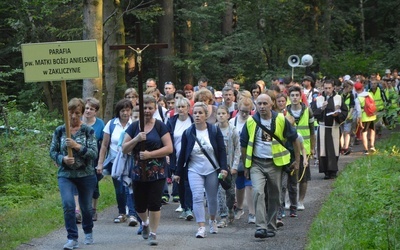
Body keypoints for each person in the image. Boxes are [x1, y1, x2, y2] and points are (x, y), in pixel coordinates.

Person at [240, 94, 300, 239]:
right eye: (259, 103)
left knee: (275, 194)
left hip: (275, 164)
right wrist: (246, 166)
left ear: (271, 104)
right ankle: (261, 226)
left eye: (265, 103)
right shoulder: (250, 122)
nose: (262, 106)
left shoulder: (280, 119)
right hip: (256, 163)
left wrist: (297, 160)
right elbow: (243, 144)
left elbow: (295, 139)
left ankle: (271, 226)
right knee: (258, 192)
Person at [122, 95, 173, 246]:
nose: (147, 111)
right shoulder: (134, 127)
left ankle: (153, 233)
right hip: (138, 172)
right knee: (139, 205)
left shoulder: (160, 126)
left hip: (157, 171)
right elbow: (124, 149)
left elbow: (169, 148)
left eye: (150, 108)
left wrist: (151, 154)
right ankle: (144, 222)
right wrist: (136, 139)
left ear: (155, 109)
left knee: (154, 204)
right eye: (144, 108)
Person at [49, 98, 98, 249]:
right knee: (68, 204)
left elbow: (93, 153)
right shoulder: (60, 130)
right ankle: (72, 238)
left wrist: (77, 146)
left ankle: (88, 231)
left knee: (86, 208)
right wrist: (62, 158)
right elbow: (52, 151)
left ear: (82, 114)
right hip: (66, 175)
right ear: (66, 113)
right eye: (71, 112)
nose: (74, 116)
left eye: (77, 113)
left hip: (86, 175)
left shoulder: (88, 131)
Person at [175, 102, 228, 238]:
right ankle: (201, 226)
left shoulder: (214, 131)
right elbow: (182, 154)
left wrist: (223, 168)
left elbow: (222, 151)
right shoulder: (188, 133)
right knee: (197, 197)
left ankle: (212, 220)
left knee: (211, 198)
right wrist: (178, 172)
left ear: (206, 115)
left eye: (200, 113)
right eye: (195, 113)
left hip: (212, 169)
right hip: (194, 169)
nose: (197, 115)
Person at [96, 99, 135, 224]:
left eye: (127, 110)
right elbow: (104, 145)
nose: (125, 113)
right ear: (118, 112)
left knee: (130, 186)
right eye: (122, 110)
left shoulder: (134, 124)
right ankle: (122, 212)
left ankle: (132, 214)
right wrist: (100, 163)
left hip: (130, 161)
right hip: (115, 162)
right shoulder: (111, 124)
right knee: (119, 189)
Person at [74, 97, 105, 222]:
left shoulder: (100, 124)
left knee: (93, 185)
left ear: (95, 111)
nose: (88, 111)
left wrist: (101, 162)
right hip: (78, 159)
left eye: (91, 109)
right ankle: (77, 211)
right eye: (86, 108)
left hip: (93, 159)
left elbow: (103, 144)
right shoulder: (77, 122)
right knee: (77, 184)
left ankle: (93, 209)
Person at [286, 86, 315, 212]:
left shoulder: (308, 111)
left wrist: (313, 148)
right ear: (289, 97)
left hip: (305, 148)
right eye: (292, 95)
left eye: (297, 95)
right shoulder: (285, 111)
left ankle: (300, 200)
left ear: (300, 96)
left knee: (303, 176)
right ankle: (289, 199)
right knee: (289, 175)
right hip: (289, 149)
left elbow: (312, 131)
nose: (295, 98)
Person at [312, 80, 348, 179]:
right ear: (323, 88)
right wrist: (322, 109)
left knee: (334, 149)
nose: (327, 90)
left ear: (333, 88)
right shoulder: (318, 99)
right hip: (323, 128)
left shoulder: (338, 98)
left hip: (334, 127)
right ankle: (326, 172)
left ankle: (333, 171)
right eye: (326, 88)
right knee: (323, 150)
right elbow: (313, 113)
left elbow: (345, 112)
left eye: (329, 88)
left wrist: (338, 115)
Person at [166, 97, 194, 220]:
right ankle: (183, 205)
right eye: (179, 107)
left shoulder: (193, 121)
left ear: (188, 108)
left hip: (191, 157)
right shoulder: (171, 122)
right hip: (176, 156)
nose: (181, 109)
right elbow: (166, 139)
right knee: (180, 182)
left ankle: (189, 208)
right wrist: (167, 154)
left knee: (188, 182)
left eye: (183, 107)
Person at [228, 97, 255, 224]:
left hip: (249, 157)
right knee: (239, 185)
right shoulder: (232, 122)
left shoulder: (253, 121)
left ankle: (252, 213)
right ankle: (239, 208)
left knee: (249, 185)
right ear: (238, 109)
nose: (244, 114)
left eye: (247, 111)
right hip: (236, 159)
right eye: (242, 111)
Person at [215, 105, 240, 228]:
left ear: (228, 115)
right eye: (219, 114)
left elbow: (237, 149)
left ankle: (230, 208)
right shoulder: (213, 130)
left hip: (230, 166)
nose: (221, 116)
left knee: (230, 192)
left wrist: (235, 165)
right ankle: (223, 216)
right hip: (218, 166)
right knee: (220, 192)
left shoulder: (233, 130)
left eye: (223, 113)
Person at [354, 82, 377, 155]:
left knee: (364, 133)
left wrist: (359, 120)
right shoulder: (369, 94)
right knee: (372, 130)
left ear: (355, 89)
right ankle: (372, 146)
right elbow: (373, 103)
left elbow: (359, 111)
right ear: (362, 87)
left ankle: (366, 149)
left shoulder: (357, 99)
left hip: (364, 117)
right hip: (372, 115)